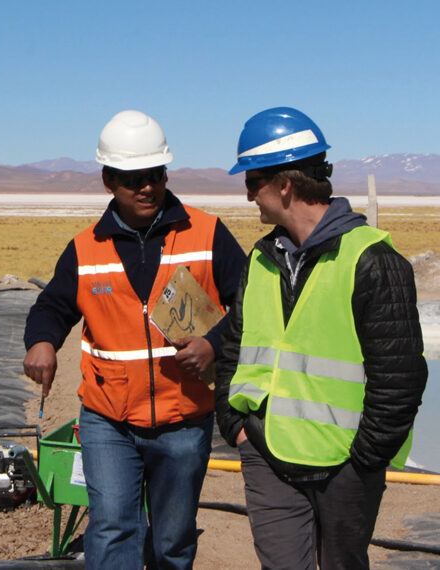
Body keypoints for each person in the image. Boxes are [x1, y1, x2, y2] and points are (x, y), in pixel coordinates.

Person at [23, 109, 246, 569]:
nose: (147, 186)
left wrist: (215, 342)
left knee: (173, 539)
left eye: (155, 175)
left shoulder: (207, 234)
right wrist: (41, 342)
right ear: (109, 182)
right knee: (111, 528)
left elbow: (251, 303)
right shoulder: (86, 248)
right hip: (109, 420)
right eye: (132, 178)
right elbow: (52, 306)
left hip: (184, 418)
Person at [215, 106, 428, 569]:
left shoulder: (372, 260)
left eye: (252, 181)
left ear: (285, 185)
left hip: (344, 468)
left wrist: (364, 460)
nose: (249, 195)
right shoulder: (262, 258)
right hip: (266, 453)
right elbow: (236, 345)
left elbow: (401, 377)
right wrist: (235, 424)